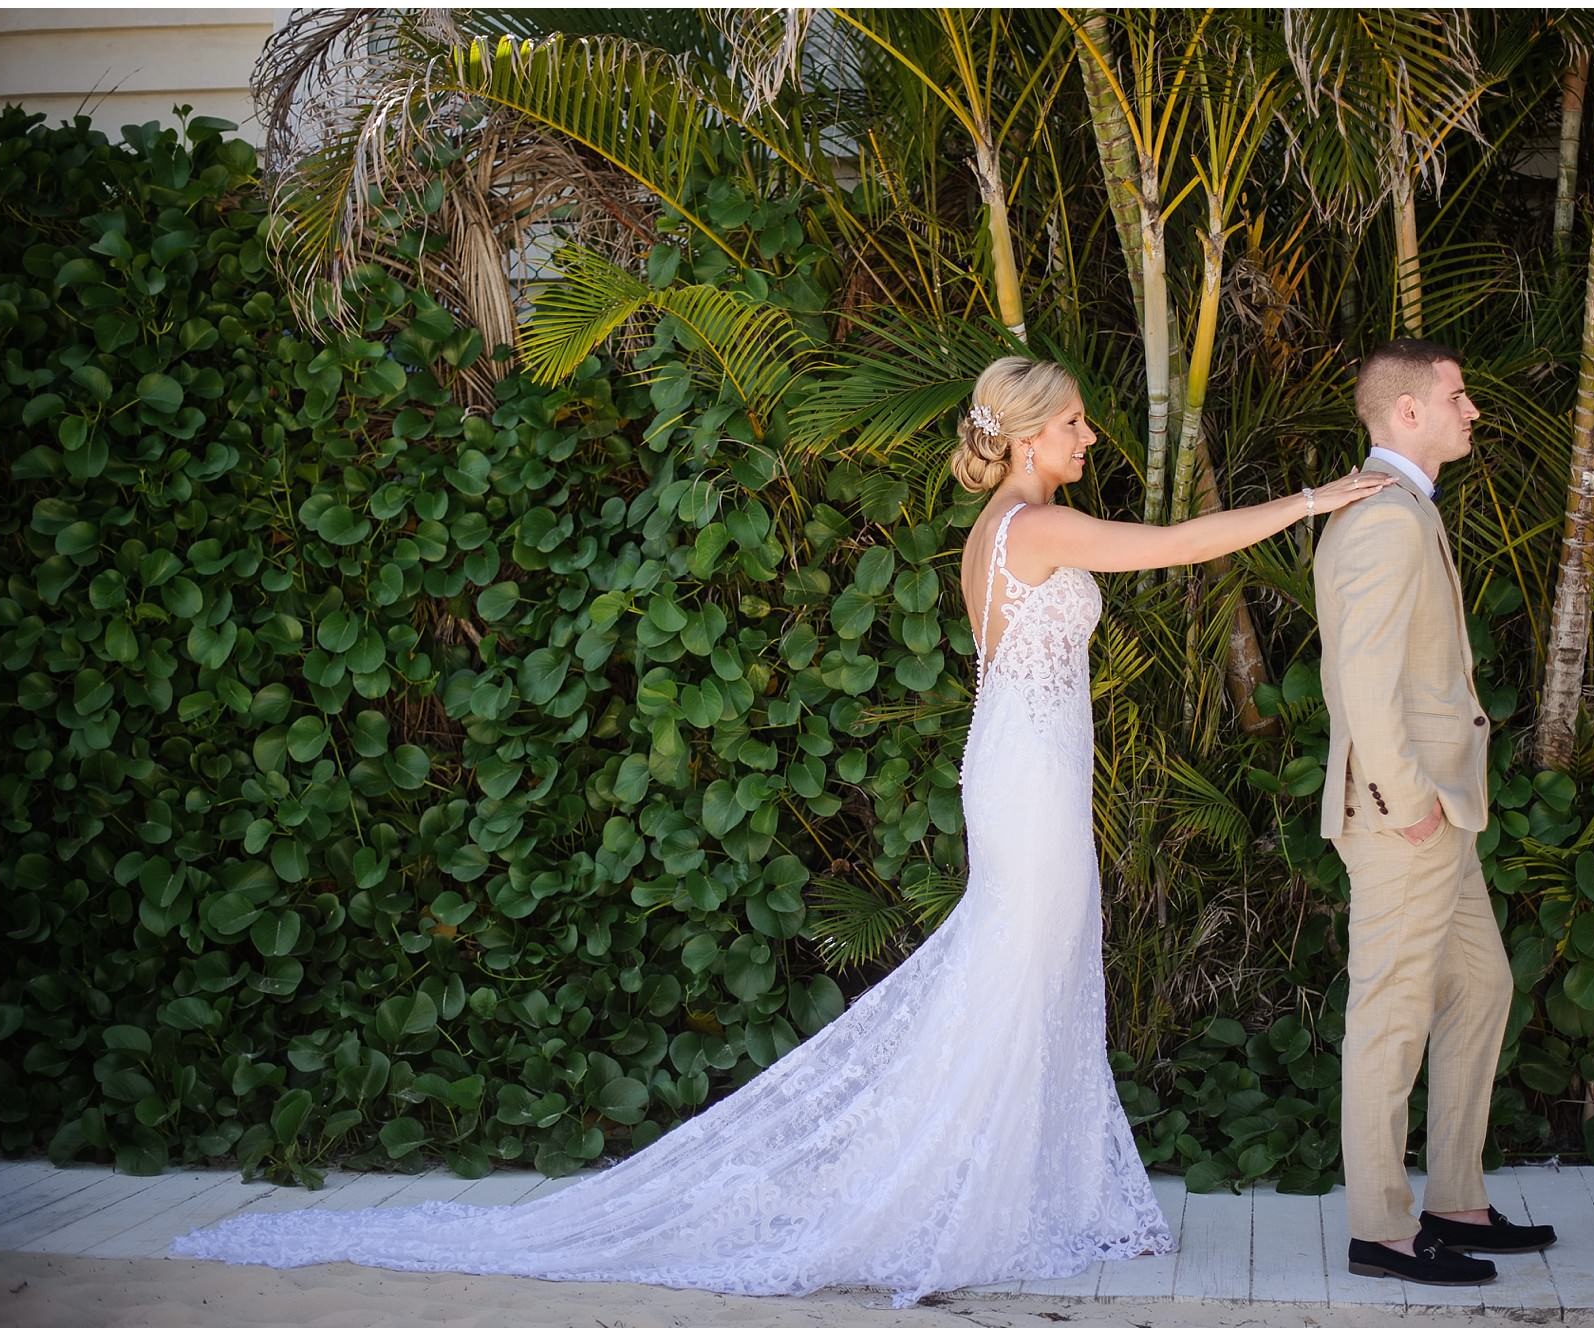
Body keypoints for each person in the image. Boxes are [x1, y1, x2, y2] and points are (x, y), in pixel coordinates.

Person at [168, 354, 1391, 1307]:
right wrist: (1315, 496)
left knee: (1031, 976)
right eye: (1071, 422)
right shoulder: (1028, 529)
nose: (1086, 436)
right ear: (1025, 436)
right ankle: (929, 1196)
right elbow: (1177, 547)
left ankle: (999, 1190)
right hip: (1024, 779)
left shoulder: (1006, 529)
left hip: (1028, 769)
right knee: (1010, 974)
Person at [1312, 339, 1558, 1287]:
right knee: (1391, 1016)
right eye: (1459, 396)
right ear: (1407, 411)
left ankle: (1456, 1200)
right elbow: (1363, 678)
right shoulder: (1384, 518)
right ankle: (1380, 1229)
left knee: (1482, 987)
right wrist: (1405, 802)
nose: (1473, 410)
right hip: (1406, 815)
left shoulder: (1404, 506)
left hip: (1443, 812)